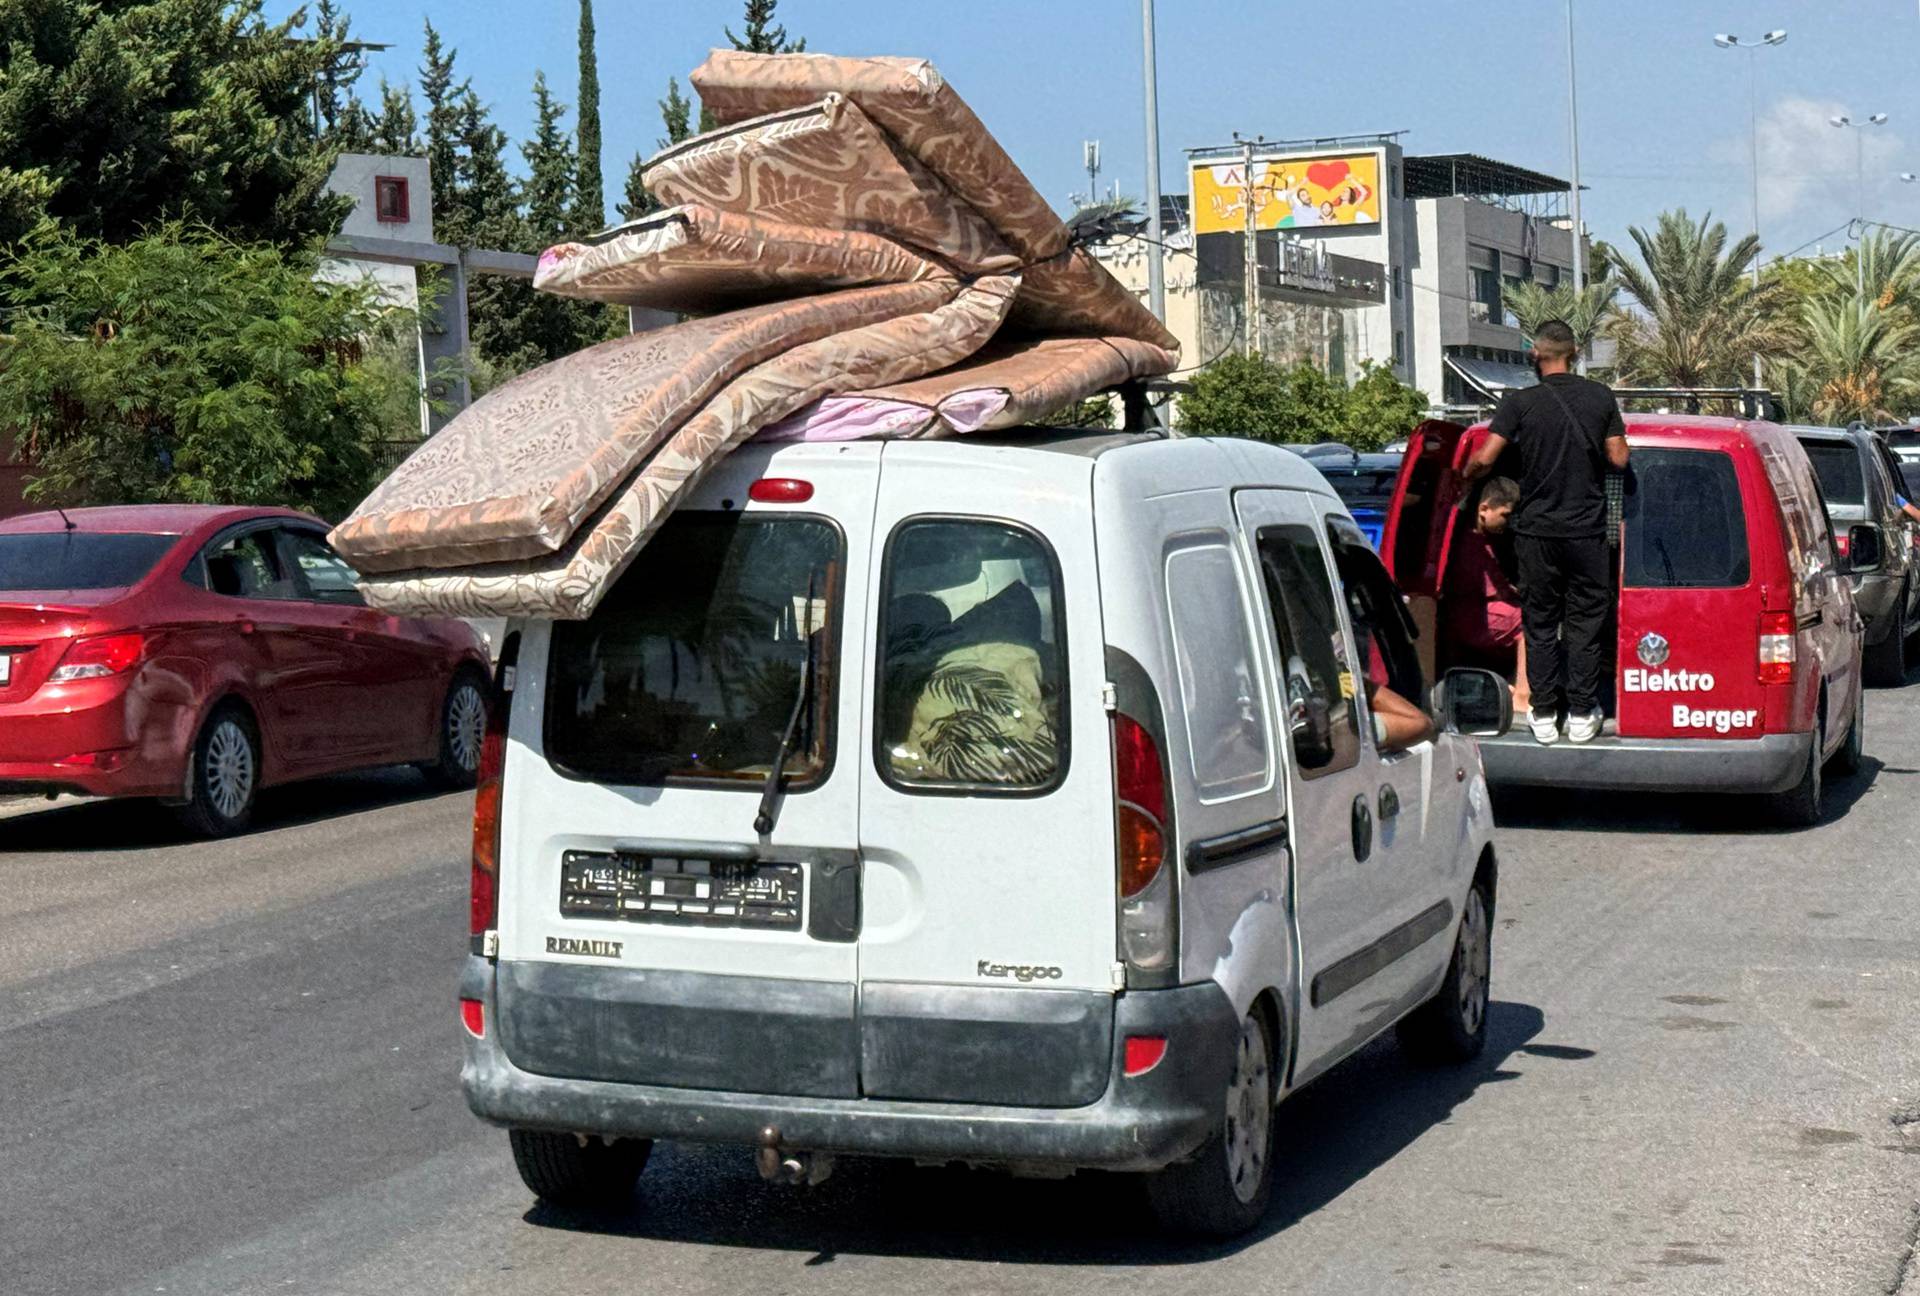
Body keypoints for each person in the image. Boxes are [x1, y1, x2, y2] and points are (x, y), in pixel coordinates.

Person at [1462, 320, 1630, 745]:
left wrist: (1466, 476)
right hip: (1585, 531)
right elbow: (1619, 459)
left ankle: (1541, 713)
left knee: (1539, 622)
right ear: (1574, 353)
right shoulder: (1599, 397)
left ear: (1535, 355)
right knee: (1585, 622)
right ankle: (1581, 712)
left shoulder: (1520, 402)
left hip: (1535, 533)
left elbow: (1487, 456)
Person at [1445, 477, 1530, 711]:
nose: (1508, 522)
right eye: (1504, 515)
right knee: (1530, 622)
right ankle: (1523, 694)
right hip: (1472, 614)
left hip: (1480, 609)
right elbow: (1482, 588)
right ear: (1484, 509)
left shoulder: (1484, 539)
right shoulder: (1470, 544)